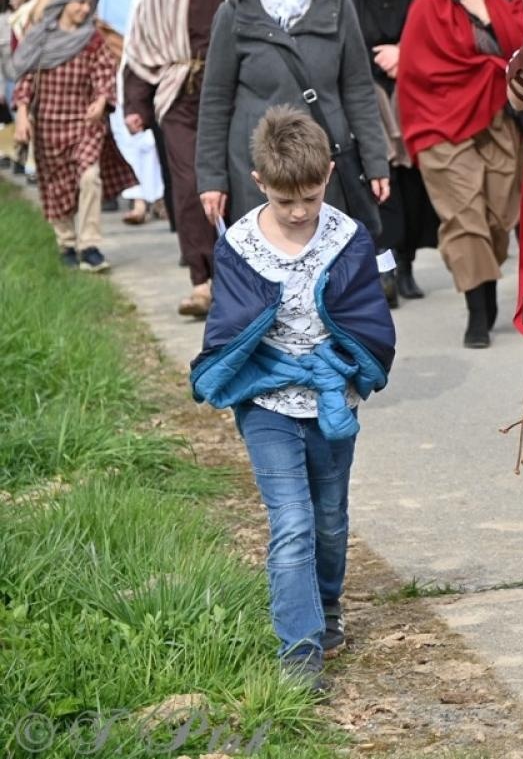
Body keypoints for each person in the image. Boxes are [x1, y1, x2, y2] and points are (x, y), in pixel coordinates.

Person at [190, 106, 396, 693]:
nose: (300, 211)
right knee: (294, 521)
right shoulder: (239, 244)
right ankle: (299, 650)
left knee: (330, 521)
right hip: (268, 402)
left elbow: (370, 320)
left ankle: (327, 611)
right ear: (260, 184)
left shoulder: (349, 238)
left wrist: (350, 370)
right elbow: (229, 326)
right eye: (286, 201)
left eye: (309, 196)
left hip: (331, 399)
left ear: (328, 174)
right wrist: (263, 363)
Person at [196, 0, 390, 245]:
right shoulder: (234, 12)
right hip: (256, 161)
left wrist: (376, 163)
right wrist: (212, 179)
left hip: (324, 155)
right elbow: (215, 99)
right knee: (266, 264)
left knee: (326, 260)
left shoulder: (337, 5)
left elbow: (358, 88)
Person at [397, 0, 523, 348]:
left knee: (495, 215)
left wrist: (488, 14)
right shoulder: (428, 5)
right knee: (464, 216)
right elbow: (418, 72)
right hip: (442, 126)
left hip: (495, 120)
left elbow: (521, 51)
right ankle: (476, 310)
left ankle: (486, 292)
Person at [124, 0, 244, 316]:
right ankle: (201, 281)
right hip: (181, 94)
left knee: (236, 183)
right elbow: (141, 41)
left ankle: (238, 279)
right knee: (191, 183)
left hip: (232, 94)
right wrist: (136, 103)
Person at [11, 0, 137, 271]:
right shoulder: (41, 37)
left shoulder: (93, 38)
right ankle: (66, 242)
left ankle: (90, 244)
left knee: (90, 176)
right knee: (58, 185)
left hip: (85, 122)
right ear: (65, 2)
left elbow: (105, 72)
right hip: (48, 124)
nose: (84, 9)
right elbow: (26, 79)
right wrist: (21, 116)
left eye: (89, 4)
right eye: (80, 3)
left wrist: (102, 99)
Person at [344, 0, 438, 305]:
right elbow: (345, 43)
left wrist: (406, 53)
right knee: (382, 185)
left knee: (415, 184)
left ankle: (409, 263)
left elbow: (437, 36)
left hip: (415, 96)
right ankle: (387, 266)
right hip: (371, 97)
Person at [95, 0, 165, 225]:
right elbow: (100, 30)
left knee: (156, 137)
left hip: (157, 67)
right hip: (121, 69)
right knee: (131, 133)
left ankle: (161, 197)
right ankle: (139, 200)